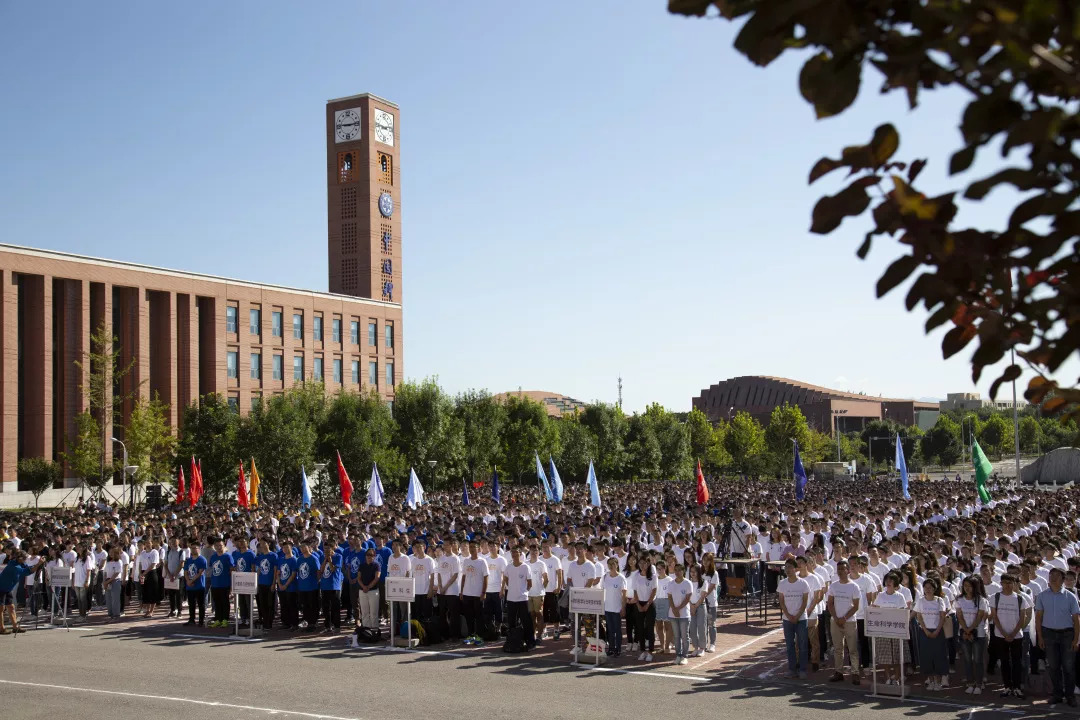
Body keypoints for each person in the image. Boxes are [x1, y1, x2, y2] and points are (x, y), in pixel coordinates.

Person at [1035, 567, 1080, 708]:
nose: (1053, 577)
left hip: (1067, 634)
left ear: (1063, 579)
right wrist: (1040, 638)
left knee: (1068, 667)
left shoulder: (1070, 596)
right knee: (1053, 666)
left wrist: (1076, 639)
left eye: (1056, 575)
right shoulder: (1042, 596)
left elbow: (1076, 620)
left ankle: (1070, 695)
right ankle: (1057, 694)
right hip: (1049, 634)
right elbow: (1038, 619)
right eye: (1051, 575)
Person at [991, 573, 1031, 699]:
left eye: (1010, 583)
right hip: (1000, 635)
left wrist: (1013, 634)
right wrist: (1004, 633)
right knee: (1004, 661)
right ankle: (1007, 687)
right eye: (1004, 583)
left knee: (1017, 662)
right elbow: (994, 617)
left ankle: (1017, 687)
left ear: (1014, 584)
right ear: (1001, 583)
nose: (1007, 585)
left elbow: (1022, 618)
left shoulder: (1020, 599)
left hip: (1016, 636)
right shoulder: (995, 597)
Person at [827, 559, 862, 685]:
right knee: (838, 648)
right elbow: (830, 603)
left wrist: (844, 618)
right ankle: (838, 672)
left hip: (850, 622)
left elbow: (856, 606)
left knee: (852, 648)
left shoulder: (854, 586)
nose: (840, 571)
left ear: (848, 570)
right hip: (835, 621)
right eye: (839, 569)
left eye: (843, 569)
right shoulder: (833, 585)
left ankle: (855, 672)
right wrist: (836, 618)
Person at [871, 571, 909, 686]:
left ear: (895, 583)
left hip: (896, 631)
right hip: (883, 631)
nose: (888, 582)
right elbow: (876, 610)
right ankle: (887, 677)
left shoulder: (900, 596)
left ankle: (897, 678)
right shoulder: (880, 595)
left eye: (891, 580)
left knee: (897, 656)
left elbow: (903, 613)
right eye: (887, 580)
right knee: (885, 656)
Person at [955, 576, 989, 695]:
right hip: (964, 633)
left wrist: (970, 629)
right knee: (968, 659)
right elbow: (959, 616)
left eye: (970, 586)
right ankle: (970, 682)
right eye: (965, 586)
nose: (967, 588)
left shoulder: (981, 600)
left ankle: (979, 683)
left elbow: (980, 617)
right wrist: (966, 630)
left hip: (978, 633)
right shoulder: (959, 600)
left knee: (978, 660)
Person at [778, 557, 810, 679]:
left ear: (796, 569)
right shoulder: (782, 583)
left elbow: (804, 602)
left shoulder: (803, 583)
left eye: (790, 567)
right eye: (786, 567)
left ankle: (802, 669)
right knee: (790, 645)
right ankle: (792, 669)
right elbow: (781, 601)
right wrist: (788, 615)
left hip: (801, 619)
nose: (788, 570)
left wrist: (797, 616)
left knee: (802, 645)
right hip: (787, 620)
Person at [915, 578, 949, 691]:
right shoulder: (920, 601)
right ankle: (931, 681)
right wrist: (925, 630)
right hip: (924, 632)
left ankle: (938, 682)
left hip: (937, 632)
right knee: (926, 657)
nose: (928, 590)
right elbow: (919, 616)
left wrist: (937, 631)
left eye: (930, 588)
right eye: (926, 588)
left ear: (934, 589)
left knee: (939, 656)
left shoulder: (940, 600)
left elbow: (942, 617)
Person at [503, 547, 534, 651]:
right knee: (511, 622)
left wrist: (522, 592)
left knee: (527, 622)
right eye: (513, 553)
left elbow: (529, 584)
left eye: (517, 552)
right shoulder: (508, 567)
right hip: (511, 599)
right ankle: (512, 642)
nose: (514, 554)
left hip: (523, 599)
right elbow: (506, 581)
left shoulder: (526, 567)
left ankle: (530, 642)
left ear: (520, 554)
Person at [460, 540, 488, 642]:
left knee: (479, 616)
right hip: (467, 593)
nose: (472, 549)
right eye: (470, 547)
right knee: (469, 616)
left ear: (478, 548)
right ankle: (470, 635)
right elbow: (463, 576)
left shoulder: (482, 561)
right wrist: (462, 591)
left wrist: (483, 592)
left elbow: (486, 578)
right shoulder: (466, 561)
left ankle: (479, 637)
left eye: (474, 547)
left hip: (478, 594)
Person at [0, 550, 33, 634]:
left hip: (7, 588)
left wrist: (37, 565)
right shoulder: (14, 566)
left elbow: (27, 567)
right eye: (24, 558)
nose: (26, 560)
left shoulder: (18, 563)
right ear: (20, 558)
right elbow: (26, 572)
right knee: (1, 608)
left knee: (11, 607)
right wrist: (38, 564)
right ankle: (1, 628)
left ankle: (15, 627)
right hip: (1, 588)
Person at [634, 553, 657, 662]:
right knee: (639, 628)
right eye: (641, 563)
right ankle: (643, 650)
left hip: (650, 604)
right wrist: (638, 604)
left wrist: (647, 604)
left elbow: (654, 591)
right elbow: (635, 591)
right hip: (639, 604)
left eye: (645, 563)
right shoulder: (636, 576)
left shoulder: (653, 576)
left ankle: (650, 651)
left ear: (648, 564)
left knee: (649, 628)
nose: (642, 565)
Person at [601, 556, 626, 657]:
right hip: (607, 607)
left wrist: (623, 607)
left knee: (617, 630)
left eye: (613, 564)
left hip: (617, 608)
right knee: (610, 629)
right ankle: (611, 648)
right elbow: (602, 591)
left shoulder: (621, 578)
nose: (611, 566)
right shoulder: (605, 577)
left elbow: (624, 594)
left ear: (617, 565)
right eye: (609, 564)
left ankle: (618, 648)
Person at [207, 538, 234, 627]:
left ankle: (225, 620)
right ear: (214, 547)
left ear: (224, 546)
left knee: (225, 603)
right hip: (215, 584)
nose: (219, 547)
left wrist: (231, 586)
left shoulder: (228, 556)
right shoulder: (213, 557)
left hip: (225, 584)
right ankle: (218, 619)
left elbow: (232, 571)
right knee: (217, 603)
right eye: (217, 546)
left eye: (221, 545)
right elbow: (212, 568)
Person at [232, 537, 256, 630]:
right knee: (241, 601)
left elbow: (253, 567)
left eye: (243, 542)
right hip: (239, 579)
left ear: (247, 543)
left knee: (248, 601)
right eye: (240, 542)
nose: (241, 543)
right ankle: (243, 618)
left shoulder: (250, 554)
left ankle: (249, 619)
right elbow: (234, 566)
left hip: (248, 579)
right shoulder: (236, 553)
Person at [319, 543, 343, 633]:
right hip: (324, 585)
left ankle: (337, 625)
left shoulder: (338, 556)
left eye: (328, 549)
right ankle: (328, 626)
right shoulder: (322, 557)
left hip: (334, 585)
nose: (326, 551)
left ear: (332, 548)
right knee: (326, 607)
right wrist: (325, 559)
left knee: (335, 607)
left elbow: (333, 569)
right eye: (325, 549)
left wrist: (329, 559)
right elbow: (321, 570)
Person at [182, 542, 207, 627]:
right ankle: (191, 619)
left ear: (199, 549)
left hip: (199, 585)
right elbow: (185, 571)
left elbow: (200, 572)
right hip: (190, 586)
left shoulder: (202, 559)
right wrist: (188, 581)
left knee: (201, 604)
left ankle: (201, 620)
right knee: (191, 604)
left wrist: (191, 581)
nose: (193, 550)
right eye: (192, 548)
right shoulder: (188, 560)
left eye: (195, 548)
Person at [277, 540, 299, 631]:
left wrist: (285, 585)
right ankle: (285, 623)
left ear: (291, 548)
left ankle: (294, 624)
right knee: (283, 605)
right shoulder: (281, 559)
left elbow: (293, 574)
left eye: (287, 547)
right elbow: (278, 573)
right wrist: (279, 584)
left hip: (291, 587)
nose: (285, 549)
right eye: (283, 548)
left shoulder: (294, 560)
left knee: (292, 606)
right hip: (281, 586)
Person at [254, 540, 277, 630]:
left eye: (264, 543)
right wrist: (256, 581)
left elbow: (275, 570)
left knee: (270, 604)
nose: (262, 546)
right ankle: (265, 621)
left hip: (270, 583)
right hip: (261, 583)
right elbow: (259, 569)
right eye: (261, 544)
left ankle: (269, 623)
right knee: (262, 604)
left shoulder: (273, 555)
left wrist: (273, 583)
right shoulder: (260, 556)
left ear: (269, 544)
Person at [163, 537, 187, 619]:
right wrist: (169, 575)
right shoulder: (168, 552)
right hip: (169, 576)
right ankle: (172, 610)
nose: (173, 543)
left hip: (179, 576)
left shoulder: (181, 552)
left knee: (179, 594)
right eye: (171, 541)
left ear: (178, 542)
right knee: (171, 594)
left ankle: (179, 611)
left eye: (174, 541)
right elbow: (165, 564)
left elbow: (181, 564)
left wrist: (174, 575)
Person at [136, 538, 161, 618]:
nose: (147, 544)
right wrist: (140, 573)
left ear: (152, 544)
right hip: (143, 573)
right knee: (145, 592)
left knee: (152, 592)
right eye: (146, 543)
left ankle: (151, 611)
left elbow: (153, 564)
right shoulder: (142, 552)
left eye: (149, 543)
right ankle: (147, 610)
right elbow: (140, 564)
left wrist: (144, 573)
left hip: (151, 573)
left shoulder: (154, 552)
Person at [357, 548, 381, 630]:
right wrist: (364, 587)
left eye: (371, 555)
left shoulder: (376, 565)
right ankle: (366, 629)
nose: (369, 557)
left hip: (373, 591)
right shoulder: (362, 565)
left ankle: (374, 629)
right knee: (364, 612)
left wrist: (368, 587)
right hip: (362, 591)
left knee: (374, 612)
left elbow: (377, 577)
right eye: (367, 555)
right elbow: (359, 578)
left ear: (374, 556)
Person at [687, 564, 707, 658]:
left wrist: (695, 606)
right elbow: (687, 596)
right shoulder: (688, 582)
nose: (693, 573)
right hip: (691, 606)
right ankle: (695, 647)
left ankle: (702, 648)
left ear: (699, 572)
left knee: (701, 626)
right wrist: (691, 606)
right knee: (692, 627)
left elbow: (702, 596)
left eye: (695, 571)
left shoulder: (703, 582)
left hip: (700, 606)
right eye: (691, 571)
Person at [102, 546, 125, 620]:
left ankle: (116, 614)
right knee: (108, 599)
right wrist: (104, 581)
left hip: (115, 581)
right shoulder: (108, 562)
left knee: (115, 599)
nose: (111, 554)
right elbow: (105, 572)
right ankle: (110, 613)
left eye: (113, 552)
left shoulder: (119, 562)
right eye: (110, 552)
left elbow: (116, 574)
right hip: (107, 581)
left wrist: (107, 582)